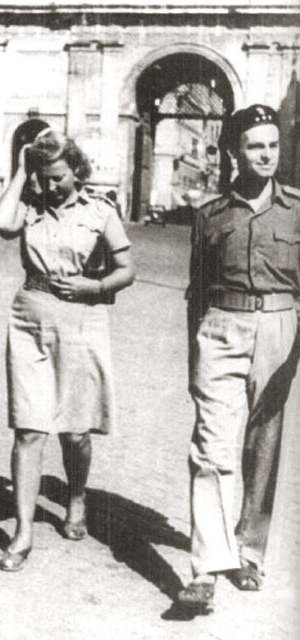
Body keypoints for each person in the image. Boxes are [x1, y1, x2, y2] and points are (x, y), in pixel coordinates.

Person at [0, 129, 135, 571]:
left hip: (81, 318)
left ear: (77, 171)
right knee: (29, 429)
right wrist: (20, 171)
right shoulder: (29, 207)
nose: (51, 185)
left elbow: (127, 269)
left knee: (75, 430)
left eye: (58, 177)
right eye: (43, 176)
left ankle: (76, 497)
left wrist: (96, 285)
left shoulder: (100, 210)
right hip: (30, 316)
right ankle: (24, 532)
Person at [178, 104, 300, 611]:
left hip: (279, 328)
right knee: (211, 445)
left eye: (272, 144)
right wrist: (194, 357)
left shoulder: (297, 210)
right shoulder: (211, 214)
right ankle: (206, 567)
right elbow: (196, 290)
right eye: (255, 145)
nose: (266, 154)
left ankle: (250, 551)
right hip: (222, 328)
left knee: (263, 445)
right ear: (235, 151)